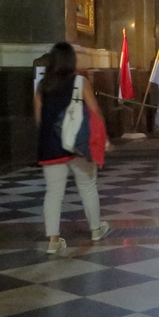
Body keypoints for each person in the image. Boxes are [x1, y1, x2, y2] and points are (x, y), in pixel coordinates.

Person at [34, 42, 109, 254]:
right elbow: (94, 112)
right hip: (77, 144)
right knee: (87, 186)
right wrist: (103, 139)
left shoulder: (42, 86)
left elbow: (39, 119)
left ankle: (53, 240)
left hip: (50, 144)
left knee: (53, 193)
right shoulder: (80, 82)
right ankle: (95, 229)